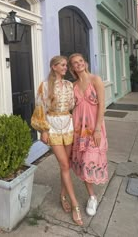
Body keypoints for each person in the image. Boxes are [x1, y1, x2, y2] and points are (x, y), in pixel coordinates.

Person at [31, 55, 83, 226]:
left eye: (66, 65)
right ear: (53, 67)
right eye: (62, 65)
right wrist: (44, 130)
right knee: (64, 164)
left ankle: (62, 195)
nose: (65, 67)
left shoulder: (69, 85)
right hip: (52, 126)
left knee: (65, 165)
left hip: (67, 125)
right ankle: (75, 205)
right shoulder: (45, 86)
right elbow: (40, 108)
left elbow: (75, 106)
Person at [68, 53, 108, 217]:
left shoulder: (95, 80)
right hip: (79, 130)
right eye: (75, 63)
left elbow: (102, 105)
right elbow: (70, 107)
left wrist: (97, 128)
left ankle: (92, 196)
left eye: (80, 61)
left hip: (94, 128)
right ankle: (92, 196)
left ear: (85, 62)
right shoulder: (73, 85)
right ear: (72, 68)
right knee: (84, 163)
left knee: (90, 160)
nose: (78, 64)